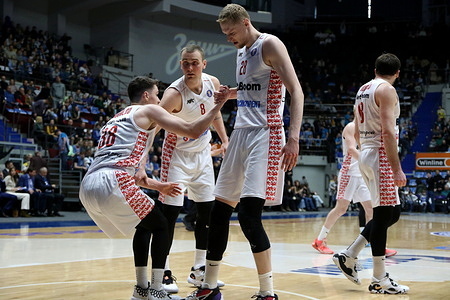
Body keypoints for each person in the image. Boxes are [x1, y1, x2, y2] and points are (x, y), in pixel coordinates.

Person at [184, 4, 304, 300]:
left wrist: (294, 138)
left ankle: (267, 292)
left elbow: (296, 91)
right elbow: (253, 87)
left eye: (232, 32)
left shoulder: (270, 43)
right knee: (218, 212)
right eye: (225, 34)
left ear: (246, 23)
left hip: (267, 133)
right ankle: (209, 287)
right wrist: (231, 94)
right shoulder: (241, 51)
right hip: (240, 133)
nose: (229, 38)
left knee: (250, 217)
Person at [79, 76, 227, 300]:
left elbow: (127, 168)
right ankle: (157, 289)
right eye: (157, 94)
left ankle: (141, 290)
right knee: (160, 226)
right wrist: (218, 104)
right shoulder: (149, 110)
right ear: (146, 96)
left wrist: (158, 185)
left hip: (90, 185)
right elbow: (193, 130)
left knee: (146, 225)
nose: (160, 100)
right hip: (112, 181)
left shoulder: (116, 118)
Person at [332, 53, 409, 294]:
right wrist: (396, 168)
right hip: (379, 153)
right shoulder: (386, 90)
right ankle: (379, 278)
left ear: (375, 69)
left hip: (367, 152)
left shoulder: (363, 89)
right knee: (385, 212)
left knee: (390, 213)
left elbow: (356, 128)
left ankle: (350, 254)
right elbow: (387, 131)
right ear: (397, 73)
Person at [157, 44, 229, 293]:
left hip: (202, 157)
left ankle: (199, 269)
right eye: (185, 63)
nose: (190, 67)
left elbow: (215, 113)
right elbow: (155, 123)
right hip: (176, 156)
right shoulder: (174, 93)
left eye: (194, 62)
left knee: (206, 214)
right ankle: (162, 272)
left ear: (204, 64)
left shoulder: (213, 83)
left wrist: (225, 139)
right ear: (181, 65)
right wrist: (142, 157)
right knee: (170, 215)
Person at [312, 121, 397, 258]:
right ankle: (319, 240)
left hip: (361, 174)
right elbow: (351, 149)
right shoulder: (351, 127)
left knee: (371, 209)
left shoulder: (367, 128)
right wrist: (369, 163)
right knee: (341, 209)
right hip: (349, 173)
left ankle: (377, 245)